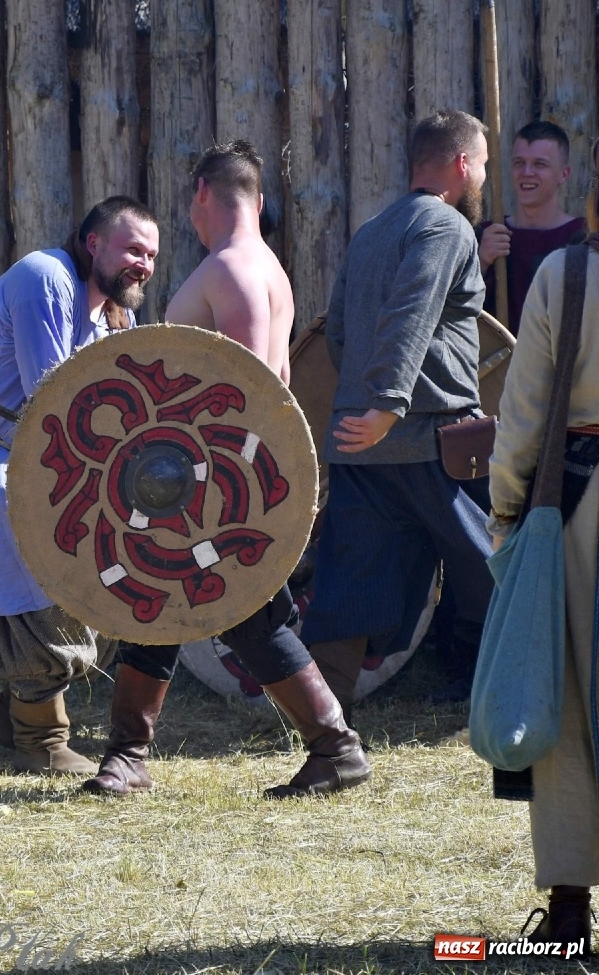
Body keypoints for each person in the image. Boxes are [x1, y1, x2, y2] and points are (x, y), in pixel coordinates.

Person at [82, 140, 371, 799]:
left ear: (201, 195)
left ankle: (132, 756)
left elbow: (239, 392)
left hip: (211, 478)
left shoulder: (229, 271)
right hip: (223, 476)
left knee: (188, 605)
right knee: (199, 608)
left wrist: (203, 482)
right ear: (260, 200)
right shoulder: (270, 271)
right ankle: (329, 748)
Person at [0, 198, 160, 775]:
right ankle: (41, 738)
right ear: (92, 242)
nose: (142, 264)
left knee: (69, 590)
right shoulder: (45, 276)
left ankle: (11, 718)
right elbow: (62, 402)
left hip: (37, 464)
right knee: (42, 603)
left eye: (150, 255)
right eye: (131, 249)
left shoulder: (112, 314)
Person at [300, 110, 496, 720]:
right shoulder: (447, 228)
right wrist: (387, 404)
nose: (484, 174)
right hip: (432, 441)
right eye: (484, 163)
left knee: (348, 585)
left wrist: (365, 401)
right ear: (462, 165)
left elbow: (336, 336)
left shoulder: (373, 230)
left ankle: (329, 733)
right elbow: (412, 312)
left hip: (362, 446)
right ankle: (518, 696)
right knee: (494, 570)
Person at [487, 172, 599, 950]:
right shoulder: (566, 270)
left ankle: (569, 910)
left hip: (577, 513)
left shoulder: (569, 273)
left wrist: (504, 518)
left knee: (564, 701)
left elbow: (523, 416)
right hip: (580, 501)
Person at [478, 120, 585, 336]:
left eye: (540, 164)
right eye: (519, 163)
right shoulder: (489, 234)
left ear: (564, 174)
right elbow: (455, 309)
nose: (526, 172)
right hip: (499, 366)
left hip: (562, 365)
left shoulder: (582, 238)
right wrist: (481, 262)